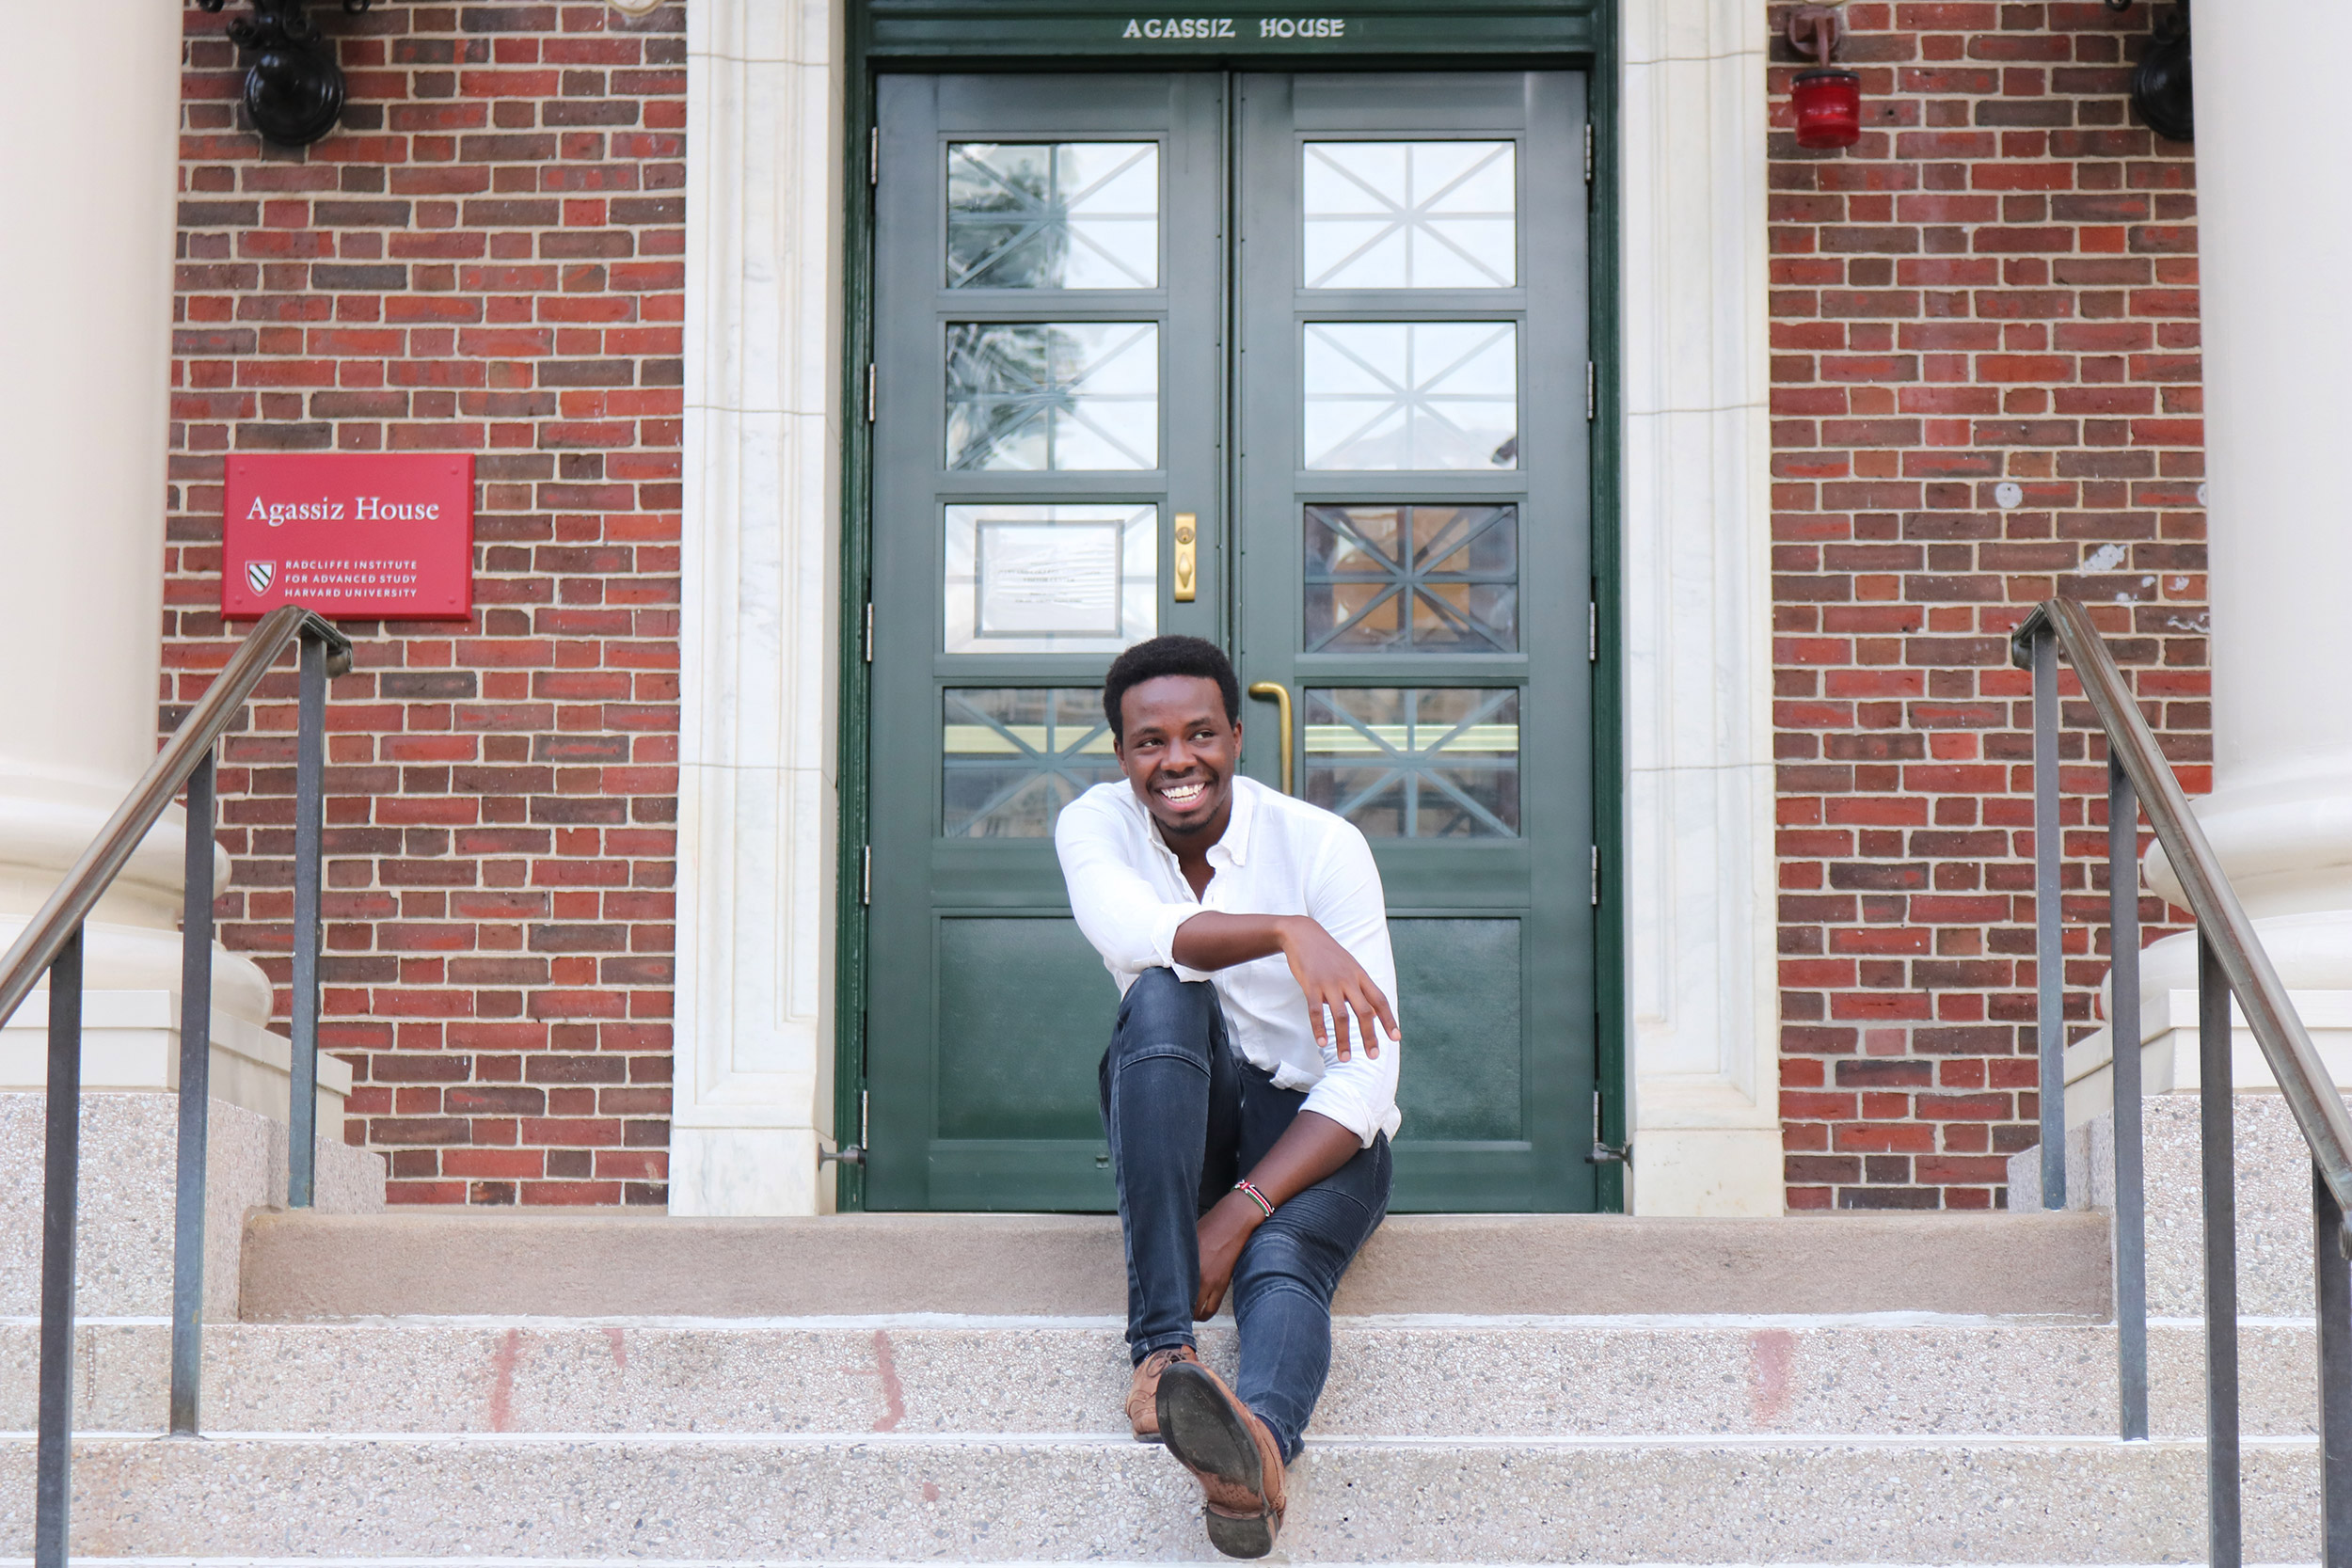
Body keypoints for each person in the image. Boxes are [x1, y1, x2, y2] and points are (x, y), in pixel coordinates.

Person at [1054, 634, 1402, 1560]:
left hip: (1312, 1134)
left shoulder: (1323, 845)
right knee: (1163, 992)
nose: (1178, 760)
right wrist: (1285, 930)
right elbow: (1136, 929)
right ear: (1123, 754)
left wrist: (1240, 1211)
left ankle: (1258, 1455)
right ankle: (1163, 1349)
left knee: (1282, 1260)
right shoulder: (1094, 824)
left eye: (1200, 734)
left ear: (1238, 738)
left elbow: (1368, 1071)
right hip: (1189, 1114)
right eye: (1149, 741)